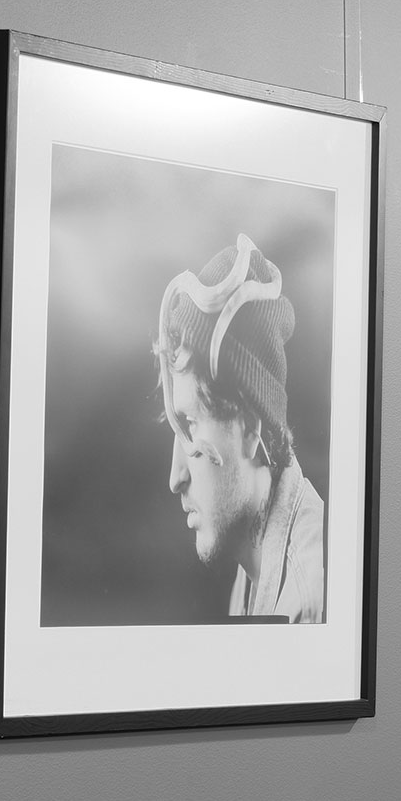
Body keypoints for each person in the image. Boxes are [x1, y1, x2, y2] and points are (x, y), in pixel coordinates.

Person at [153, 234, 326, 623]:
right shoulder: (252, 561)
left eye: (191, 423)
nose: (175, 478)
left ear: (250, 429)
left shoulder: (304, 604)